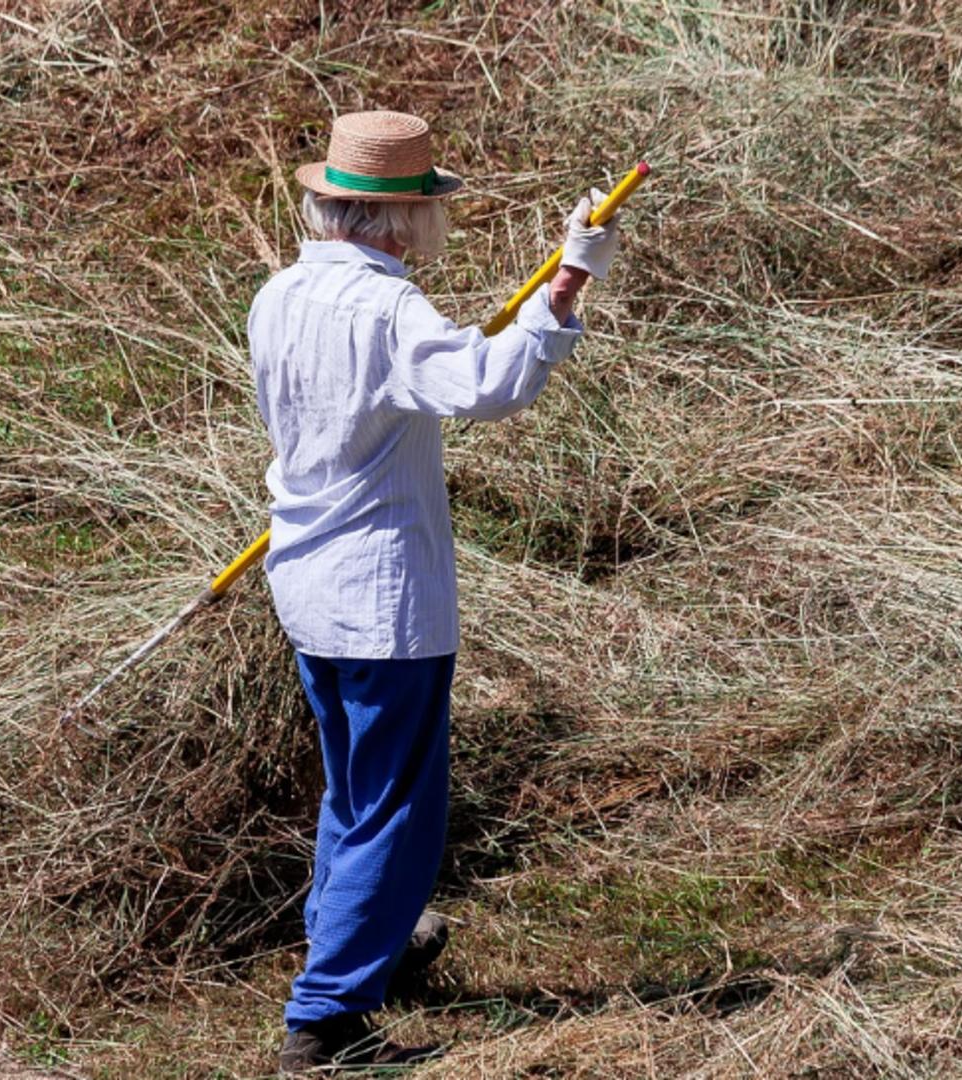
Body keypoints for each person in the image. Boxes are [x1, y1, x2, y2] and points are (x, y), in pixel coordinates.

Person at [246, 110, 620, 1073]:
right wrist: (568, 285)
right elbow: (488, 385)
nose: (433, 227)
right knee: (397, 806)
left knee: (355, 790)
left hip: (306, 577)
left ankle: (366, 947)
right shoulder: (386, 310)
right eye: (428, 209)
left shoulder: (278, 295)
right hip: (380, 595)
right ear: (399, 220)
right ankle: (327, 1019)